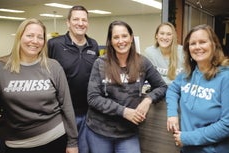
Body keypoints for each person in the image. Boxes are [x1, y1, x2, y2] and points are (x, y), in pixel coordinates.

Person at [86, 20, 167, 153]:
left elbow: (162, 86)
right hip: (100, 131)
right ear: (111, 41)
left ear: (131, 38)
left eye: (124, 36)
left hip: (127, 132)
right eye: (116, 37)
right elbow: (93, 98)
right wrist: (124, 111)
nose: (121, 41)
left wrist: (148, 99)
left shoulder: (142, 62)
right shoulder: (100, 64)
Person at [0, 18, 78, 153]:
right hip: (17, 144)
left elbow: (67, 106)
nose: (35, 41)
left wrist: (73, 142)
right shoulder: (2, 68)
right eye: (29, 35)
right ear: (19, 37)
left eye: (40, 37)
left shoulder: (53, 66)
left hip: (55, 139)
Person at [166, 24, 229, 153]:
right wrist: (172, 114)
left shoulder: (225, 77)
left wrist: (188, 137)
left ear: (214, 45)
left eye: (203, 42)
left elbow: (226, 124)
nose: (197, 47)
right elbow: (172, 90)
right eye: (192, 43)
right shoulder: (187, 74)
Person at [47, 5, 99, 153]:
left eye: (84, 20)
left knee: (82, 149)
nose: (80, 23)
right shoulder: (54, 44)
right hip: (61, 114)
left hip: (88, 112)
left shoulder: (93, 44)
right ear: (68, 22)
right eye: (76, 19)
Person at [139, 22, 183, 153]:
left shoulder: (182, 52)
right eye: (162, 33)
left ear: (173, 36)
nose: (165, 37)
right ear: (156, 36)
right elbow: (146, 77)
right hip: (159, 99)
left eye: (169, 34)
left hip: (179, 98)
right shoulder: (149, 52)